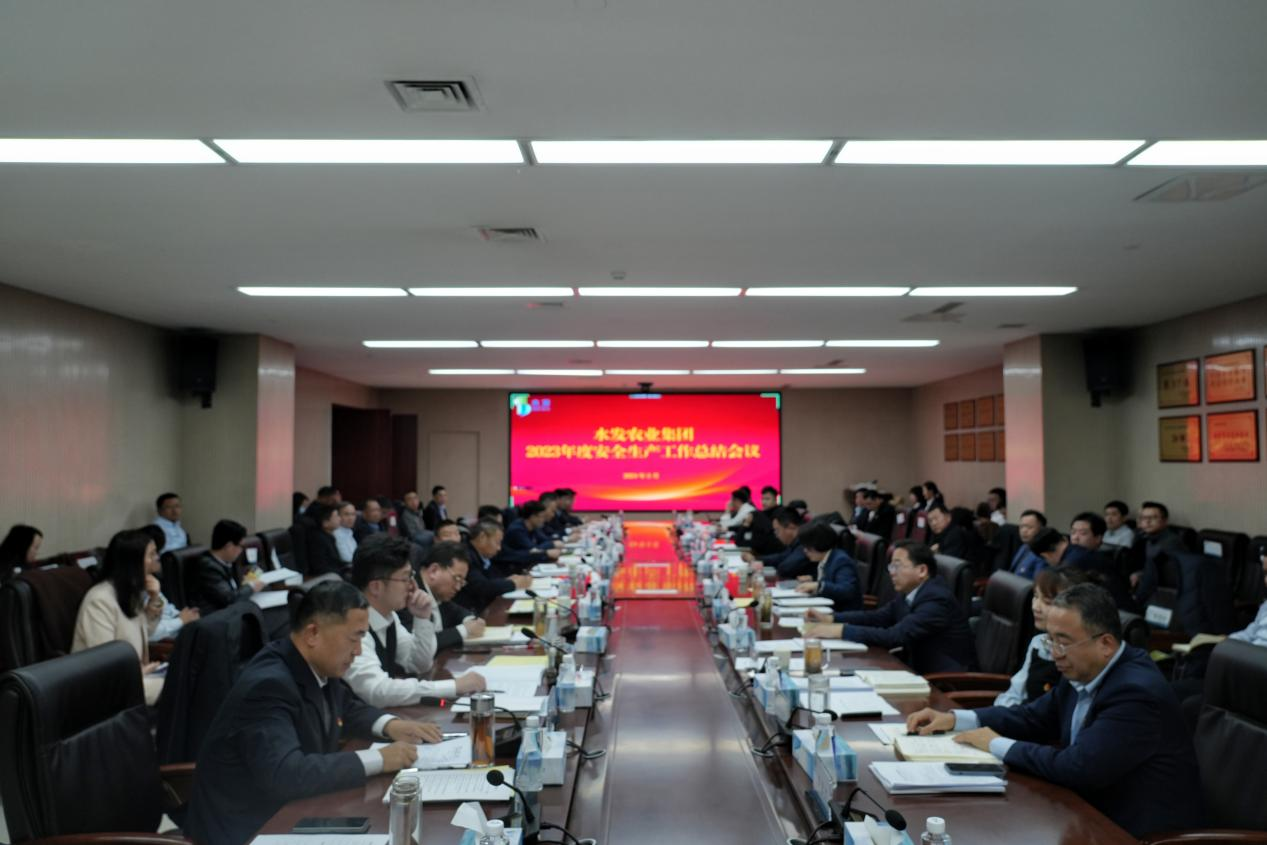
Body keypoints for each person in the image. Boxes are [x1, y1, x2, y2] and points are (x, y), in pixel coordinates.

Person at [906, 583, 1203, 839]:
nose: (1054, 653)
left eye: (1063, 642)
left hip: (1129, 832)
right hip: (1083, 812)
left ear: (1105, 644)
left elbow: (1078, 767)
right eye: (1051, 640)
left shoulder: (1135, 693)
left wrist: (995, 743)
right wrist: (957, 719)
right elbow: (1033, 717)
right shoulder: (1084, 669)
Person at [183, 580, 443, 845]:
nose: (357, 651)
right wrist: (379, 758)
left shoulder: (313, 664)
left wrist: (390, 725)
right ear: (313, 634)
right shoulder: (268, 685)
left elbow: (345, 706)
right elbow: (286, 774)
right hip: (246, 830)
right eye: (354, 638)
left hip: (292, 813)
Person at [344, 535, 486, 706]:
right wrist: (453, 686)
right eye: (405, 579)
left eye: (412, 576)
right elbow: (376, 691)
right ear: (376, 587)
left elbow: (419, 664)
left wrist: (422, 618)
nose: (412, 586)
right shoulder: (351, 625)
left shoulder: (389, 616)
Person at [803, 541, 977, 674]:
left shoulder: (936, 599)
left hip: (944, 680)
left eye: (897, 566)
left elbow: (895, 636)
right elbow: (878, 617)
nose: (891, 572)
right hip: (914, 669)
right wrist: (831, 619)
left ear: (922, 570)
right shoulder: (911, 592)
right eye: (891, 566)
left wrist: (840, 631)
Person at [72, 529, 167, 705]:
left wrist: (154, 599)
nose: (157, 558)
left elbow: (146, 632)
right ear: (133, 562)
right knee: (179, 689)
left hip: (132, 676)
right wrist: (140, 673)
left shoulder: (129, 592)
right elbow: (103, 661)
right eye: (152, 554)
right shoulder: (100, 600)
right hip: (104, 686)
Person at [995, 568, 1094, 707]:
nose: (1036, 607)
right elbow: (1015, 694)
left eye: (1047, 602)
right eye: (1035, 596)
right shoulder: (1039, 643)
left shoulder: (1083, 656)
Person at [416, 541, 487, 651]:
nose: (458, 588)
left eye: (462, 582)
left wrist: (471, 621)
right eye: (457, 579)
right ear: (434, 571)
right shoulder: (410, 595)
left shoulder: (438, 594)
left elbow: (458, 611)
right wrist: (464, 630)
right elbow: (421, 646)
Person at [188, 519, 266, 614]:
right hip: (213, 617)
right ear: (229, 546)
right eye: (241, 546)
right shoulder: (208, 568)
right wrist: (252, 587)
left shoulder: (224, 561)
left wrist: (247, 583)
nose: (241, 550)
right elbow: (229, 599)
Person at [455, 520, 533, 612]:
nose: (499, 548)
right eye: (497, 542)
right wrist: (514, 583)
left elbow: (492, 578)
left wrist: (508, 580)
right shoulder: (466, 556)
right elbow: (482, 587)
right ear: (482, 537)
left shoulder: (480, 555)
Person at [794, 522, 862, 611]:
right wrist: (813, 579)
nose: (805, 551)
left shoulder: (841, 560)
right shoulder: (827, 557)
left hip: (841, 613)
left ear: (818, 543)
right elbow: (831, 580)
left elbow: (846, 590)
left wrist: (818, 586)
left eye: (807, 547)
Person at [743, 507, 812, 579]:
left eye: (777, 530)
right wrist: (755, 558)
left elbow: (785, 569)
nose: (776, 535)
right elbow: (780, 557)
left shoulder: (805, 543)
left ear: (791, 527)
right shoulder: (795, 543)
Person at [501, 501, 560, 571]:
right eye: (542, 517)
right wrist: (548, 549)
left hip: (526, 564)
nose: (544, 520)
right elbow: (532, 551)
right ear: (533, 517)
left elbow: (545, 540)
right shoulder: (517, 530)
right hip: (513, 568)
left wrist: (550, 545)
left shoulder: (533, 527)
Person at [300, 502, 345, 578]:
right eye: (336, 516)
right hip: (324, 577)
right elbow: (320, 567)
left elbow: (336, 561)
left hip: (335, 573)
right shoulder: (317, 540)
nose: (340, 519)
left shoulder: (329, 536)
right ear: (325, 523)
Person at [1008, 510, 1049, 579]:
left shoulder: (1043, 553)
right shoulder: (1024, 547)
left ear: (1042, 529)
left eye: (1029, 527)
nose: (1024, 531)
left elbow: (1038, 583)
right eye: (1021, 527)